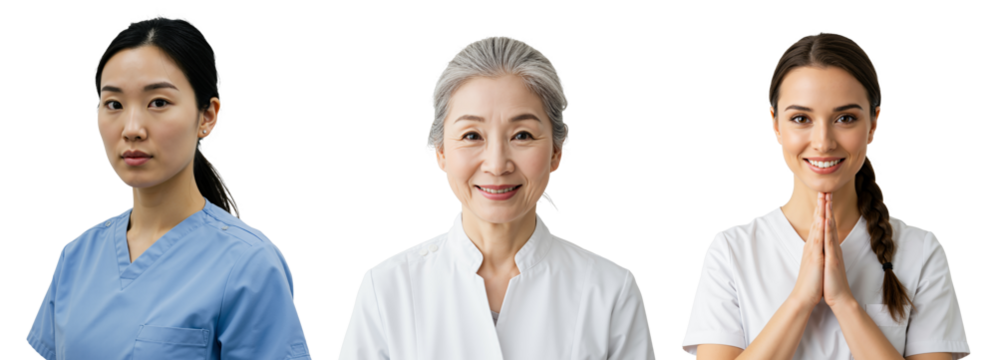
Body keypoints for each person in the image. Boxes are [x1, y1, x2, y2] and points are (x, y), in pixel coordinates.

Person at [337, 35, 656, 359]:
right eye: (472, 135)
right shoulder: (387, 289)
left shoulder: (611, 292)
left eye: (522, 135)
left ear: (557, 152)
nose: (496, 164)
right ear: (442, 152)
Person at [23, 10, 313, 360]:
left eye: (158, 102)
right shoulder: (76, 257)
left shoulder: (250, 266)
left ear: (207, 115)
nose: (132, 128)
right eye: (114, 103)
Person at [679, 32, 972, 360]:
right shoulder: (732, 251)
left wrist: (845, 304)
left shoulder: (921, 251)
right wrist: (800, 301)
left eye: (845, 118)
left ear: (874, 124)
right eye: (801, 119)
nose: (823, 142)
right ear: (775, 124)